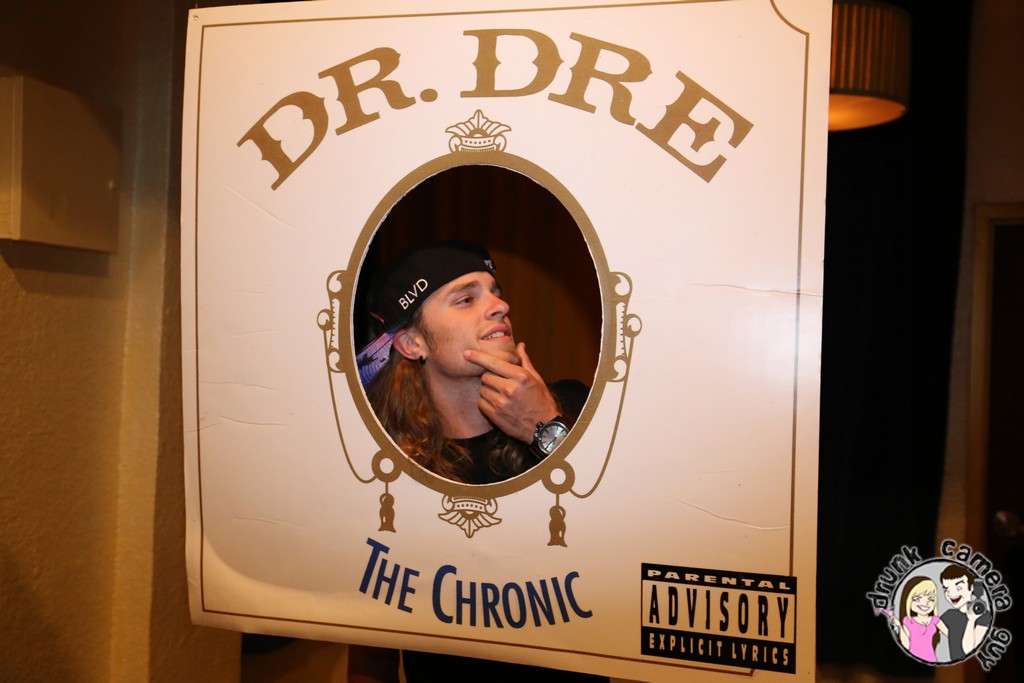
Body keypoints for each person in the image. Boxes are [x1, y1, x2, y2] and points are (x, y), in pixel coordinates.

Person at [349, 240, 602, 682]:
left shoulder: (576, 408)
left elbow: (625, 540)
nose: (501, 305)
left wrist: (545, 429)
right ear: (412, 343)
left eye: (495, 291)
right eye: (466, 299)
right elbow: (372, 636)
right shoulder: (389, 473)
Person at [938, 565, 991, 661]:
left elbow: (968, 650)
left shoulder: (984, 616)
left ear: (971, 587)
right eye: (946, 589)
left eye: (958, 588)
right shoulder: (949, 615)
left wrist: (971, 620)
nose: (951, 594)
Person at [890, 576, 947, 662]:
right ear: (908, 600)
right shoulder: (908, 621)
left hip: (931, 659)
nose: (925, 603)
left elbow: (951, 635)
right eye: (917, 599)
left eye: (931, 599)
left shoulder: (935, 620)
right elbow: (906, 645)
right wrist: (899, 626)